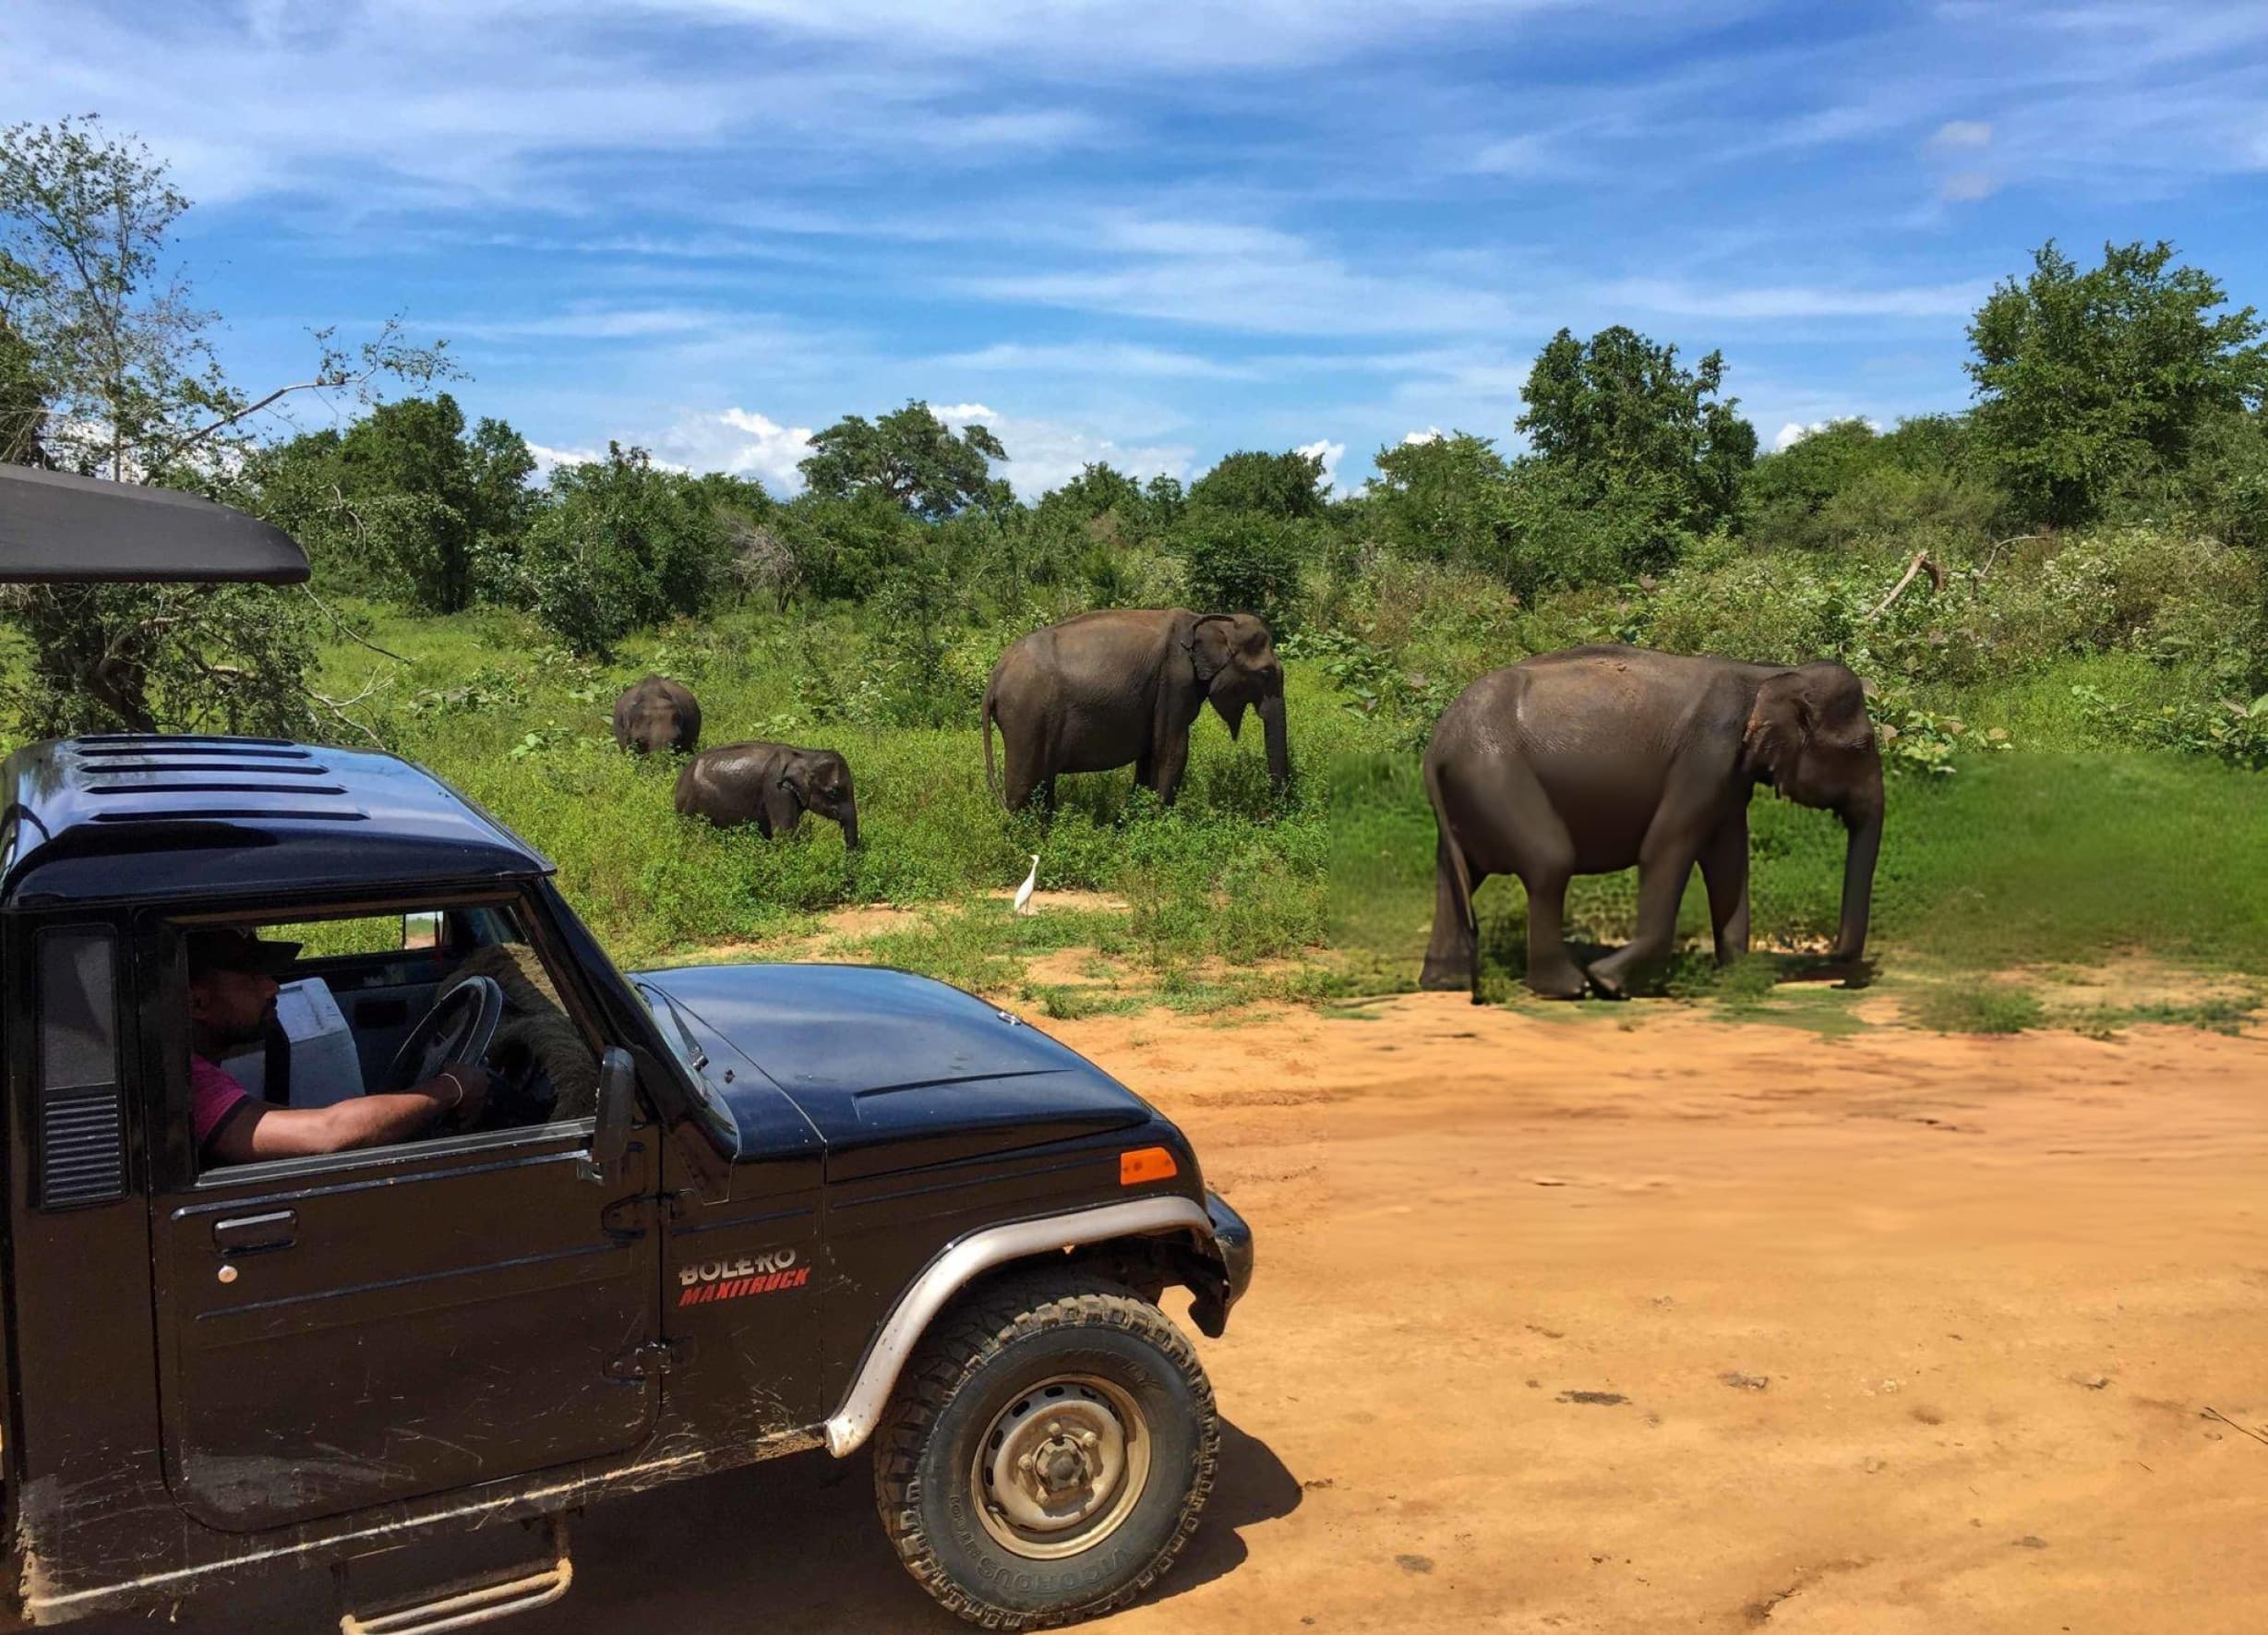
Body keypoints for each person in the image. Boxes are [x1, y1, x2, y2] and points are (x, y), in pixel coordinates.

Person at [187, 927, 490, 1166]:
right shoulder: (190, 1084)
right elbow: (327, 1133)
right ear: (197, 1002)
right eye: (251, 979)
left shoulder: (190, 1069)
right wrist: (454, 1086)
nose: (272, 986)